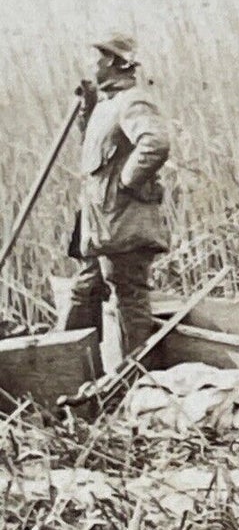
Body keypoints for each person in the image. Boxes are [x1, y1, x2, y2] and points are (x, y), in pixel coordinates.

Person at [60, 35, 171, 360]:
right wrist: (87, 108)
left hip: (122, 224)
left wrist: (126, 182)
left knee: (129, 298)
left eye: (93, 57)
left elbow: (156, 142)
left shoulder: (133, 101)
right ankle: (64, 372)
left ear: (110, 60)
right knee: (84, 291)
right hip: (100, 226)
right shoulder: (107, 104)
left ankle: (136, 382)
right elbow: (97, 153)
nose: (89, 63)